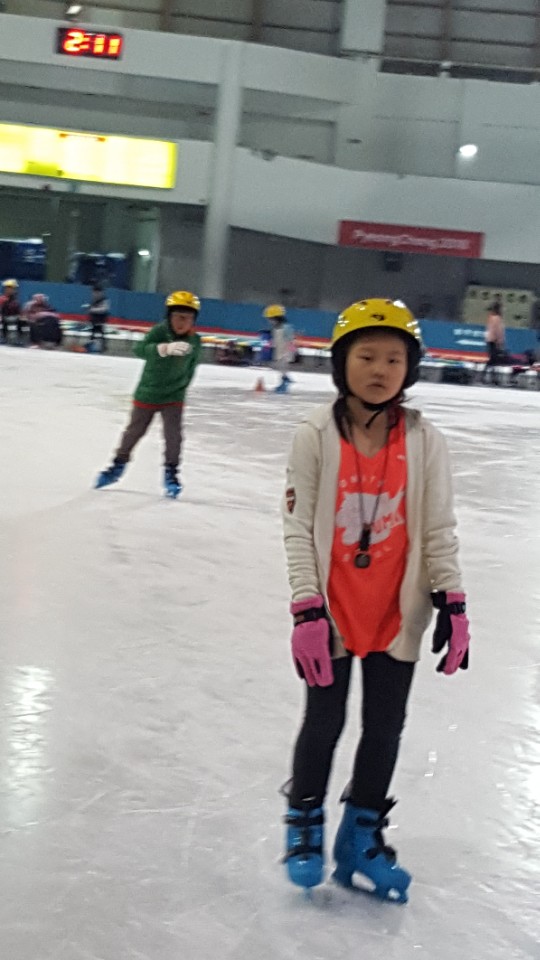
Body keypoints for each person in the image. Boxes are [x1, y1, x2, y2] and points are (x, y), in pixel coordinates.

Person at [281, 298, 470, 902]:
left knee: (385, 728)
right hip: (332, 612)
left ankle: (361, 837)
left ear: (409, 368)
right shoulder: (315, 434)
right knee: (324, 722)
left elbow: (438, 527)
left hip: (396, 611)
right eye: (366, 356)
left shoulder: (424, 440)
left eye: (394, 358)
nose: (380, 369)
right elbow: (297, 528)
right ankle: (305, 821)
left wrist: (453, 600)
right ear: (342, 363)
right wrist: (307, 608)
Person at [95, 291, 201, 498]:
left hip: (174, 396)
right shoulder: (160, 331)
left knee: (174, 435)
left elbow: (192, 367)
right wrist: (163, 349)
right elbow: (140, 349)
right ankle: (117, 465)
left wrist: (181, 388)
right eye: (178, 317)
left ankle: (171, 473)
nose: (182, 322)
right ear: (169, 317)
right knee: (134, 432)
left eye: (187, 318)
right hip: (148, 393)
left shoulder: (194, 341)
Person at [263, 304, 294, 393]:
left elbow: (290, 339)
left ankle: (285, 382)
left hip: (285, 351)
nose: (269, 321)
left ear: (276, 318)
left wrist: (290, 350)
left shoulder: (286, 327)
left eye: (270, 319)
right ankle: (284, 381)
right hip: (279, 350)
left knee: (283, 367)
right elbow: (276, 339)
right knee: (279, 367)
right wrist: (271, 344)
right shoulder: (275, 328)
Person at [483, 302, 505, 384]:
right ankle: (489, 377)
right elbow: (498, 331)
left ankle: (490, 377)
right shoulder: (497, 318)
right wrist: (500, 341)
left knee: (492, 360)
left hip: (489, 340)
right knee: (493, 360)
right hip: (494, 341)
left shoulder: (491, 317)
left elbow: (489, 330)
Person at [87, 283, 110, 352]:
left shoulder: (104, 300)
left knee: (100, 334)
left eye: (96, 292)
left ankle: (102, 347)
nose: (94, 294)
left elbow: (104, 309)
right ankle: (92, 346)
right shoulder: (94, 300)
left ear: (100, 292)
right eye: (93, 292)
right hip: (94, 320)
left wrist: (92, 310)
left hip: (101, 320)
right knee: (93, 333)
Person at [0, 279, 24, 344]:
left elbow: (19, 312)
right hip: (3, 318)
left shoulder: (15, 301)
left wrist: (22, 317)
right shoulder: (1, 299)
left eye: (13, 288)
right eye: (8, 288)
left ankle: (20, 339)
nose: (11, 290)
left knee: (24, 322)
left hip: (12, 319)